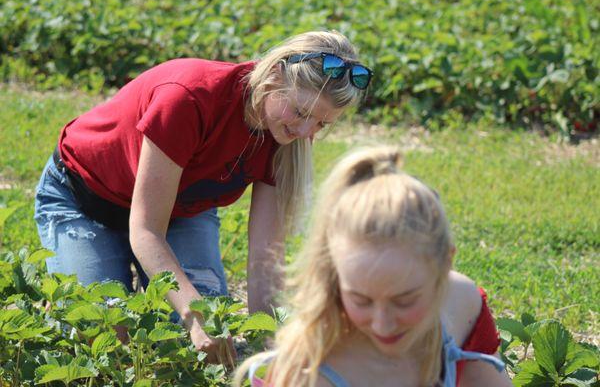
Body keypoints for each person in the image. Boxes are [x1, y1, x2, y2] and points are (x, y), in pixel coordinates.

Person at [33, 30, 372, 363]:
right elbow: (146, 230)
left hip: (181, 213)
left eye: (321, 125)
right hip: (85, 201)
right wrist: (193, 313)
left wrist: (273, 349)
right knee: (108, 333)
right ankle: (74, 282)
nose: (305, 132)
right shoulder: (189, 97)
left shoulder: (287, 135)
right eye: (301, 112)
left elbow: (264, 258)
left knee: (203, 344)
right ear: (273, 75)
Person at [234, 146, 513, 386]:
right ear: (335, 274)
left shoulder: (462, 303)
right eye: (360, 300)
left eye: (404, 300)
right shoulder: (309, 372)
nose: (382, 324)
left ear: (445, 263)